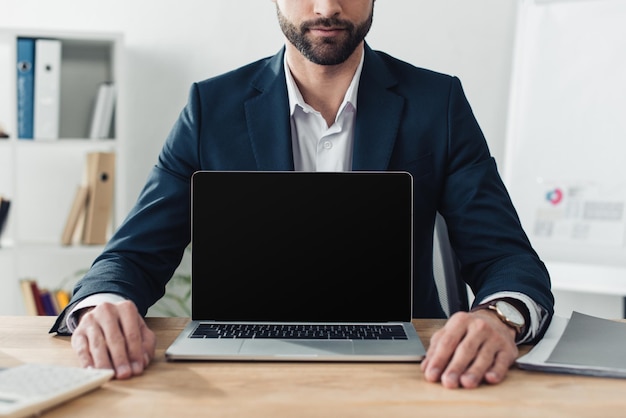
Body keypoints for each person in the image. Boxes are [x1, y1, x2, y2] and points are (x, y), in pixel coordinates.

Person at [51, 0, 554, 389]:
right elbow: (132, 256)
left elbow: (507, 256)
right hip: (237, 376)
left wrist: (498, 317)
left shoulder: (437, 103)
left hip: (412, 372)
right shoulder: (211, 107)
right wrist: (105, 306)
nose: (327, 7)